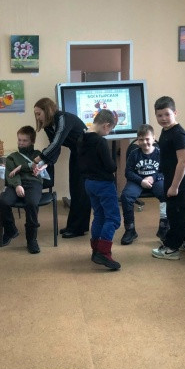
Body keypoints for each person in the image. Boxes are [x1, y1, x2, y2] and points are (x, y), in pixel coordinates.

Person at [33, 97, 90, 238]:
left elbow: (57, 142)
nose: (37, 117)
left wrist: (39, 158)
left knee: (81, 191)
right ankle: (74, 226)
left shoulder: (62, 118)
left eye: (39, 113)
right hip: (77, 153)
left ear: (47, 110)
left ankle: (78, 229)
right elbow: (55, 148)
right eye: (36, 114)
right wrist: (45, 164)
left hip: (88, 153)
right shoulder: (48, 125)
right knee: (75, 190)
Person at [151, 96, 185, 261]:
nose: (163, 118)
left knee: (175, 214)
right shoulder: (166, 130)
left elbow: (183, 162)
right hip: (171, 178)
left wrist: (174, 186)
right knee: (180, 211)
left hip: (180, 180)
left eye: (167, 114)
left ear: (175, 113)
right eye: (159, 115)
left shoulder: (179, 134)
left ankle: (172, 248)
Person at [78, 109, 121, 270]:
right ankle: (103, 252)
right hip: (104, 185)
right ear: (106, 125)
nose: (108, 133)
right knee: (113, 219)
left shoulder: (81, 138)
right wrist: (114, 166)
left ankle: (96, 250)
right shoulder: (100, 142)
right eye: (110, 129)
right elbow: (110, 166)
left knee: (99, 216)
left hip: (89, 184)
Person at [0, 125, 47, 254]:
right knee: (3, 201)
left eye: (25, 140)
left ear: (32, 141)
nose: (21, 143)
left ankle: (31, 239)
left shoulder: (38, 155)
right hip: (15, 185)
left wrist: (20, 167)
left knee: (32, 204)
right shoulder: (12, 157)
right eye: (19, 140)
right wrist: (17, 185)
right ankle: (10, 231)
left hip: (34, 183)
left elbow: (36, 166)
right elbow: (10, 174)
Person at [120, 124, 167, 245]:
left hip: (156, 180)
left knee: (166, 193)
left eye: (147, 139)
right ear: (137, 140)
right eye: (141, 139)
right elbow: (128, 172)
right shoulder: (134, 154)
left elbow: (165, 171)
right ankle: (130, 230)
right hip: (137, 181)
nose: (144, 142)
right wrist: (141, 181)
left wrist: (153, 177)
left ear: (153, 138)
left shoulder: (160, 153)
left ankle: (164, 227)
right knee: (126, 196)